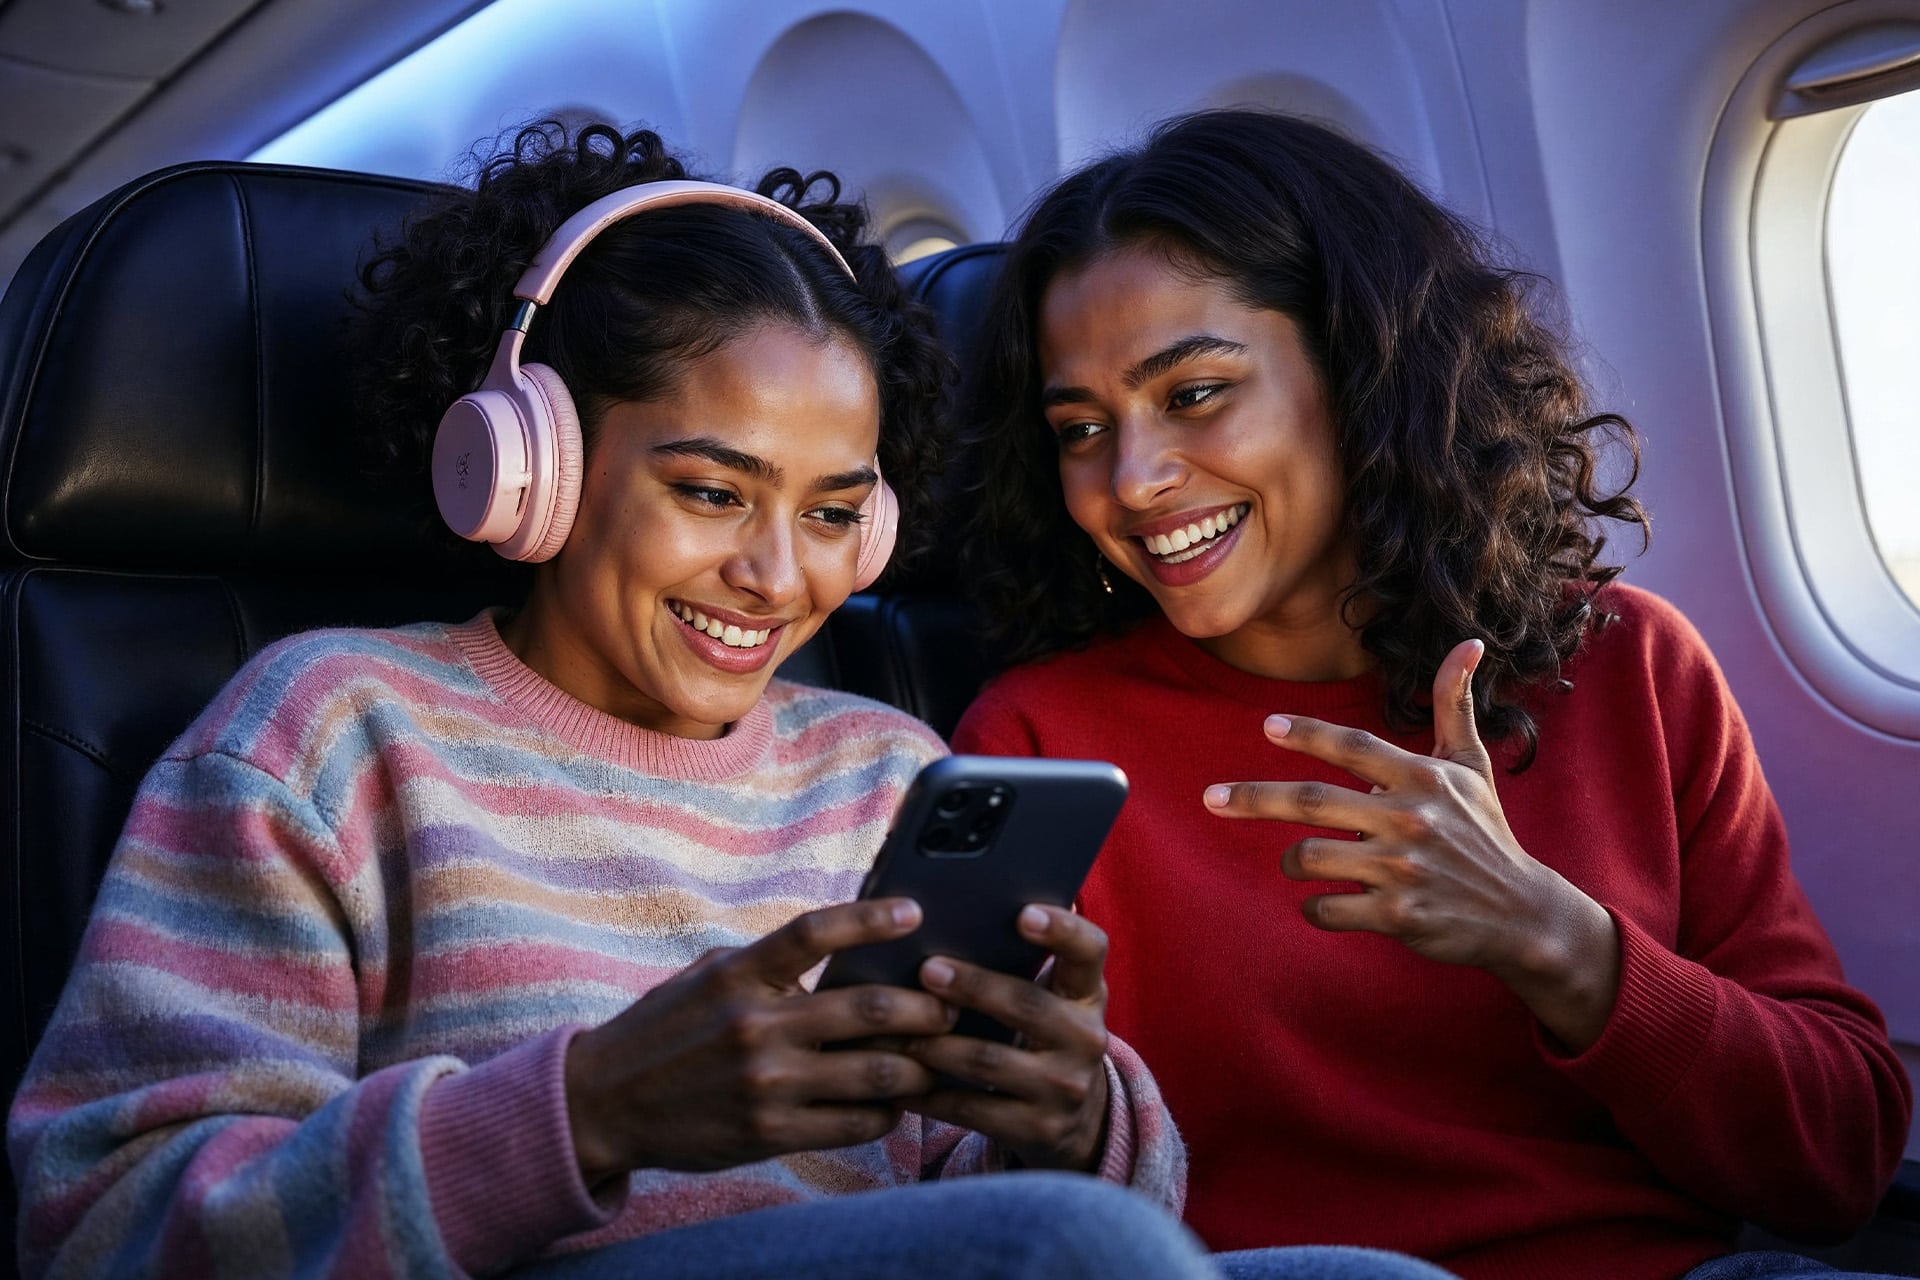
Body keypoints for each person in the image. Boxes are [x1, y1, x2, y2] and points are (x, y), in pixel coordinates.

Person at [5, 120, 1223, 1280]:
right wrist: (586, 1112)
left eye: (835, 513)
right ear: (535, 469)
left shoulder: (884, 773)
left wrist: (1074, 1120)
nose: (780, 574)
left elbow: (1029, 1208)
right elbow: (106, 1223)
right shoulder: (334, 731)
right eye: (711, 491)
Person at [948, 108, 1913, 1280]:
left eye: (1194, 392)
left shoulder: (1623, 667)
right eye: (1081, 428)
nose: (1132, 480)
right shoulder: (1043, 742)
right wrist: (1058, 1126)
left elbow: (1838, 1166)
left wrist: (1552, 937)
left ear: (1361, 374)